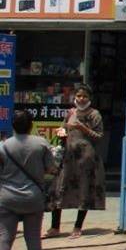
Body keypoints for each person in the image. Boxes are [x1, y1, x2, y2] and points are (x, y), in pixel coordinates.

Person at [1, 110, 57, 250]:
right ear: (31, 125)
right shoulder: (41, 143)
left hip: (7, 198)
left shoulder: (3, 146)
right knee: (33, 238)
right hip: (33, 198)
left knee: (4, 239)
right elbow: (51, 168)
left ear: (13, 126)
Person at [45, 83, 104, 239]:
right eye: (79, 96)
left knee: (84, 190)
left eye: (84, 96)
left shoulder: (94, 114)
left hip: (86, 158)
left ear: (89, 98)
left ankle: (78, 227)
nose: (81, 99)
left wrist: (84, 129)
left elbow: (99, 136)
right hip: (68, 157)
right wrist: (61, 133)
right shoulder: (70, 112)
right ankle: (55, 227)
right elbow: (64, 128)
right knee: (59, 189)